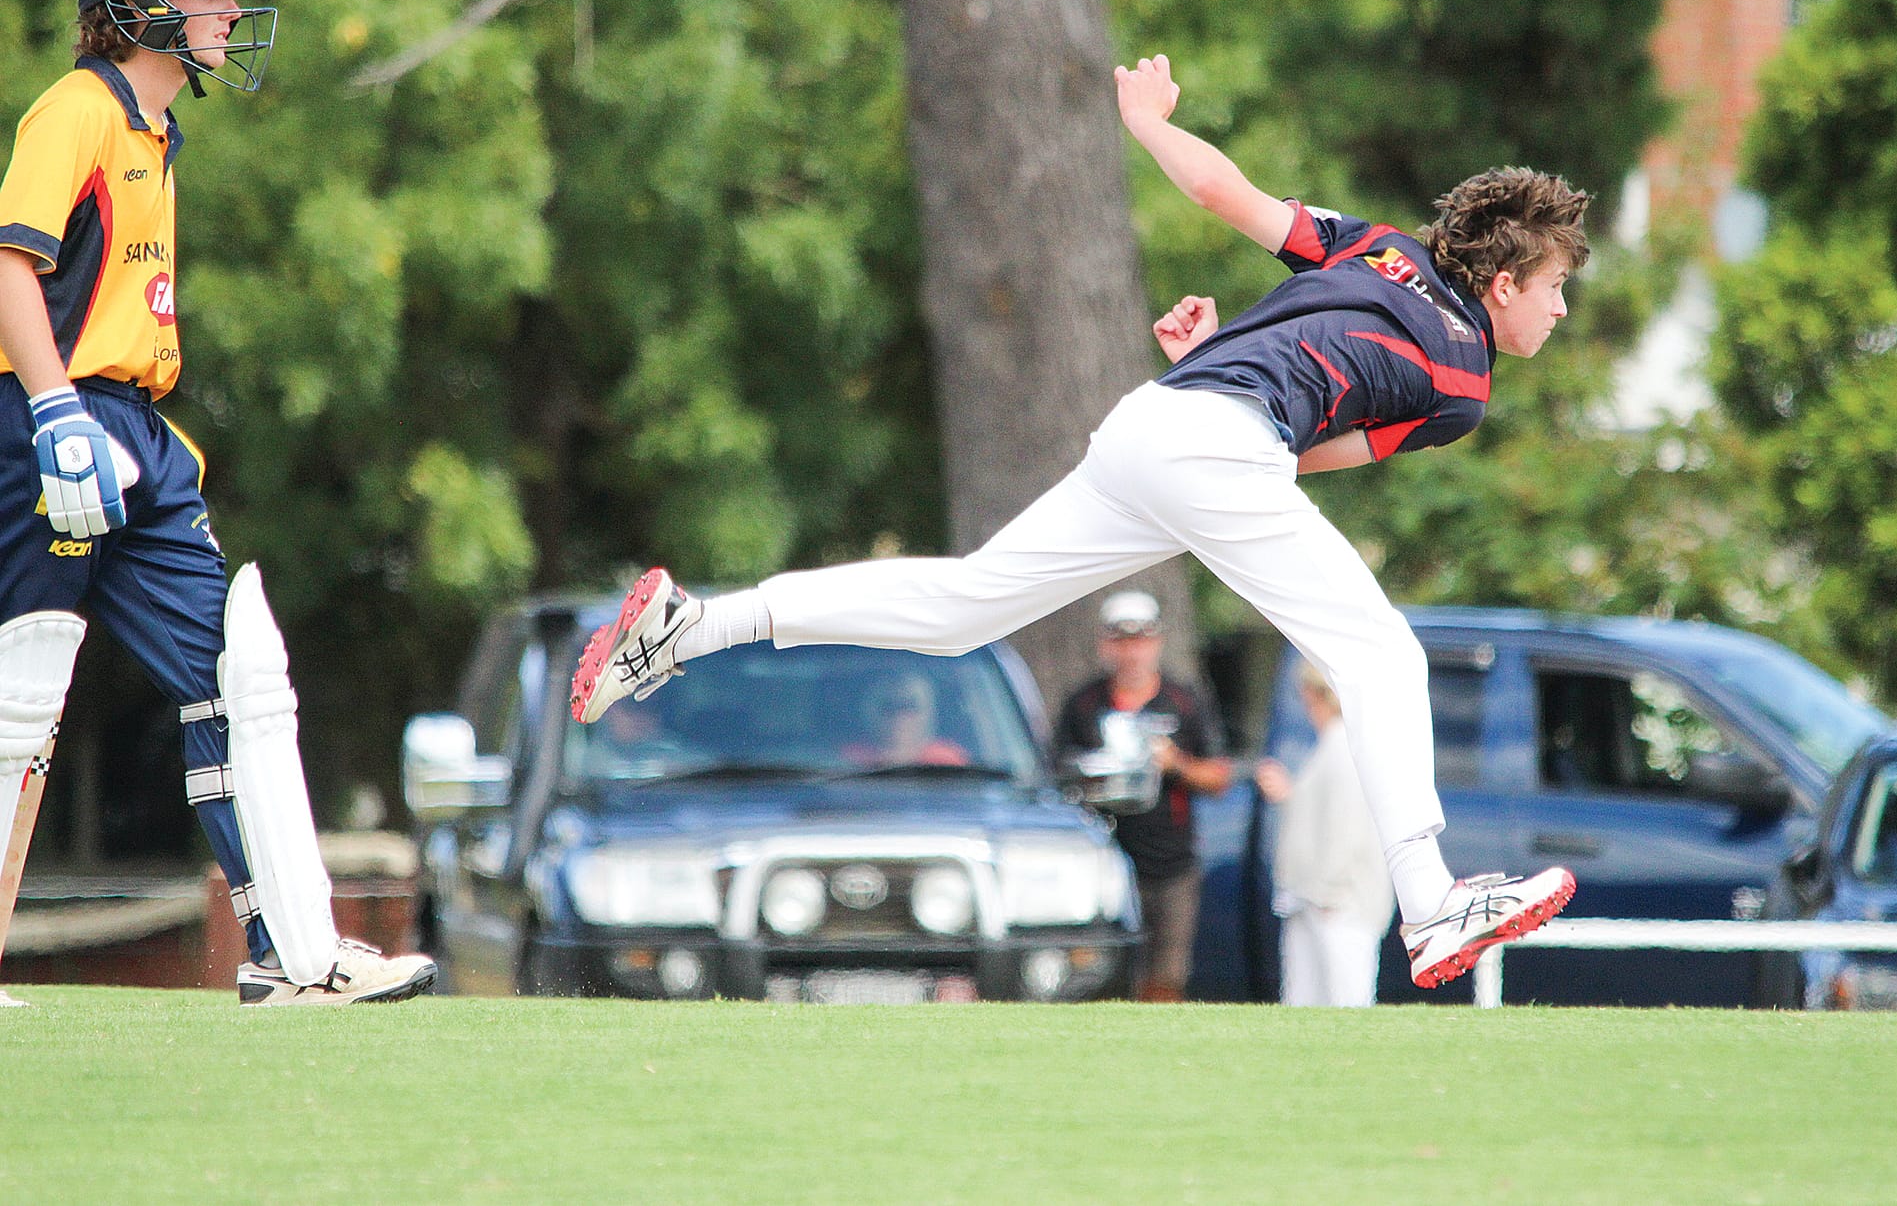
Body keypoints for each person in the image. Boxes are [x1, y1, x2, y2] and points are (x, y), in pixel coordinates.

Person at [570, 52, 1586, 988]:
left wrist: (1145, 122)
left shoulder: (1374, 246)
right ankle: (1430, 906)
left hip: (1155, 425)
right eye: (1554, 289)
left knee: (962, 607)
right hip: (1214, 445)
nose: (1559, 309)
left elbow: (1219, 194)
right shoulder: (1461, 381)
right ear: (1500, 285)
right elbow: (1311, 449)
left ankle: (693, 626)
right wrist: (1228, 378)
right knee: (1381, 656)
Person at [0, 0, 434, 1005]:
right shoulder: (75, 113)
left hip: (139, 434)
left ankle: (290, 955)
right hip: (45, 423)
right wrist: (54, 414)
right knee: (22, 696)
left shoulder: (155, 134)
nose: (231, 13)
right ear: (139, 6)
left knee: (235, 678)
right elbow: (10, 267)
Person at [1057, 590, 1232, 1002]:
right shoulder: (1083, 704)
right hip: (1102, 857)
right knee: (1097, 972)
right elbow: (1058, 773)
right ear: (1105, 645)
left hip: (1169, 861)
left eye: (1140, 641)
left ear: (1156, 643)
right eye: (1121, 642)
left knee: (1166, 975)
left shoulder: (1183, 701)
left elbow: (1218, 776)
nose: (1131, 653)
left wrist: (1176, 764)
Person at [1256, 665, 1394, 1006]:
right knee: (1308, 1000)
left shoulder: (1347, 747)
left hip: (1339, 902)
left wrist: (1330, 890)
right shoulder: (1336, 746)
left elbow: (1349, 824)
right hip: (1314, 898)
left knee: (1346, 1000)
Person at [846, 671, 970, 768]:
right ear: (869, 712)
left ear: (929, 712)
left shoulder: (950, 763)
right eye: (888, 706)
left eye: (910, 706)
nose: (899, 716)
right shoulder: (847, 762)